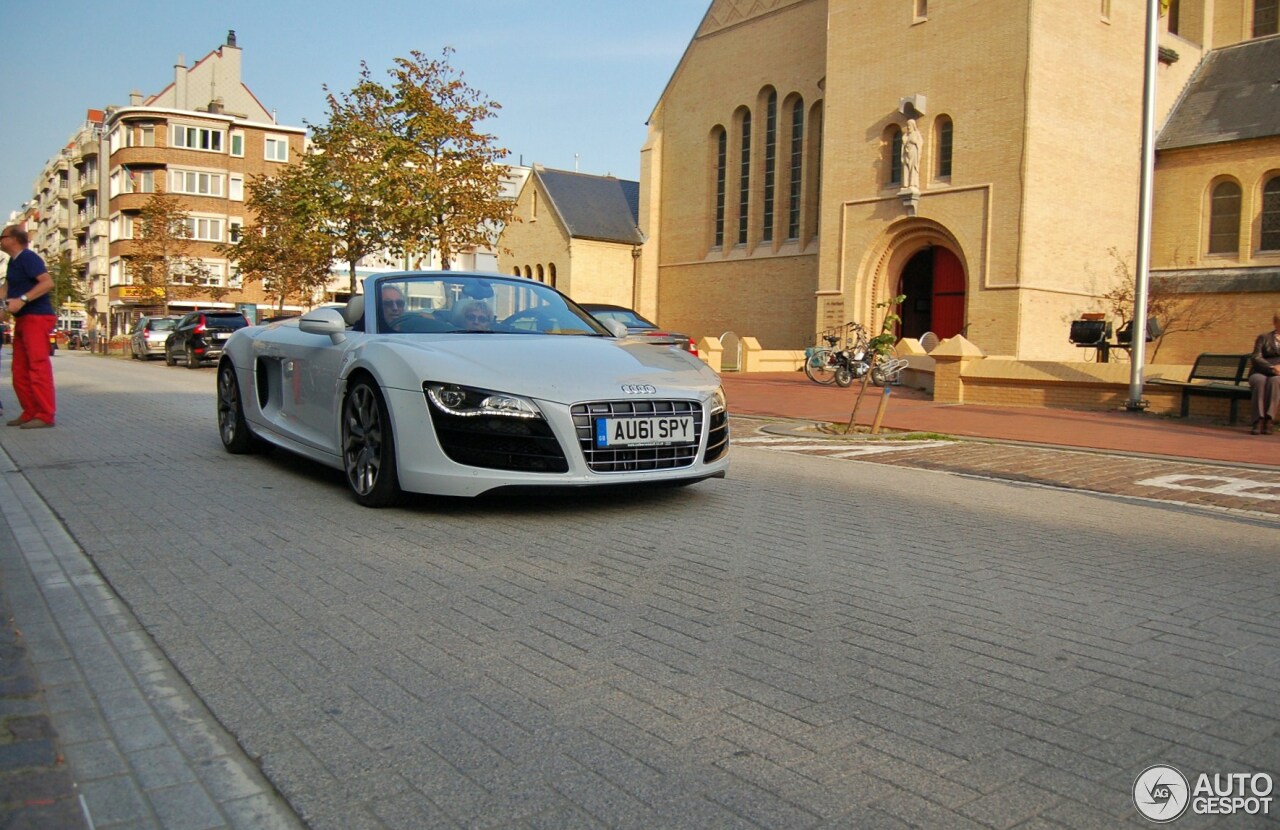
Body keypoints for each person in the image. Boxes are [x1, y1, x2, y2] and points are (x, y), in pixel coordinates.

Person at [0, 226, 57, 428]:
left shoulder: (28, 258)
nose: (0, 240)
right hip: (23, 318)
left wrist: (23, 300)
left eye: (2, 237)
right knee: (20, 369)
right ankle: (30, 411)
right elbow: (7, 287)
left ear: (14, 239)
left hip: (37, 316)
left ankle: (45, 414)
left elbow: (47, 283)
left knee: (37, 366)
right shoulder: (13, 262)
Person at [1247, 310, 1280, 434]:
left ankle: (1269, 420)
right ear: (1274, 323)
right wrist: (1272, 368)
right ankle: (1258, 420)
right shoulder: (1264, 338)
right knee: (1259, 381)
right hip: (1260, 371)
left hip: (1278, 375)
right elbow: (1256, 357)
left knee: (1275, 381)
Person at [901, 119, 923, 190]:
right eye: (907, 126)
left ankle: (913, 183)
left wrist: (915, 141)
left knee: (913, 167)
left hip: (914, 153)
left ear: (913, 126)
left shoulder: (916, 134)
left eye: (910, 126)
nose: (908, 127)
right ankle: (906, 184)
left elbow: (920, 142)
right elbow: (903, 144)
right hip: (906, 153)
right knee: (906, 168)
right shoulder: (906, 135)